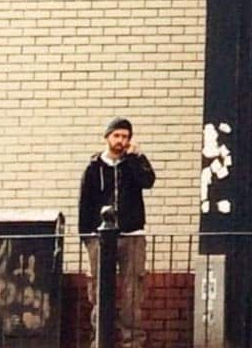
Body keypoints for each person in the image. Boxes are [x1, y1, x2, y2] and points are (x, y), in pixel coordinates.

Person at [78, 117, 156, 348]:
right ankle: (100, 340)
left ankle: (132, 342)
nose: (121, 140)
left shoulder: (133, 163)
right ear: (107, 137)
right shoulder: (94, 168)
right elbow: (84, 203)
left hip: (132, 235)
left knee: (133, 290)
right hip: (100, 237)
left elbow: (148, 181)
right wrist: (87, 238)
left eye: (125, 136)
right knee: (100, 289)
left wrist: (135, 157)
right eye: (117, 135)